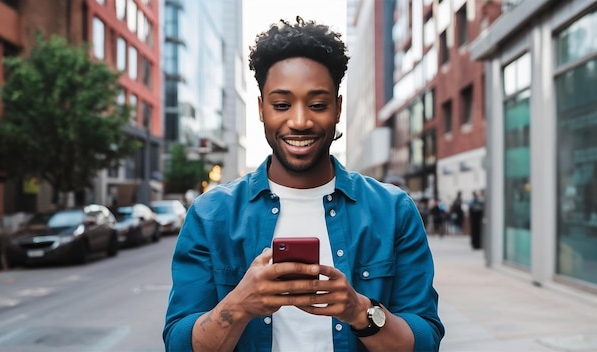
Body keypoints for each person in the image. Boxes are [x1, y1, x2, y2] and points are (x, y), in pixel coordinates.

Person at [163, 17, 444, 352]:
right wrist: (239, 305)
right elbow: (178, 344)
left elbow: (425, 341)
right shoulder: (211, 215)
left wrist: (359, 310)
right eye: (282, 105)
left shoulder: (393, 211)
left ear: (338, 109)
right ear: (261, 110)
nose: (299, 121)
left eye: (317, 104)